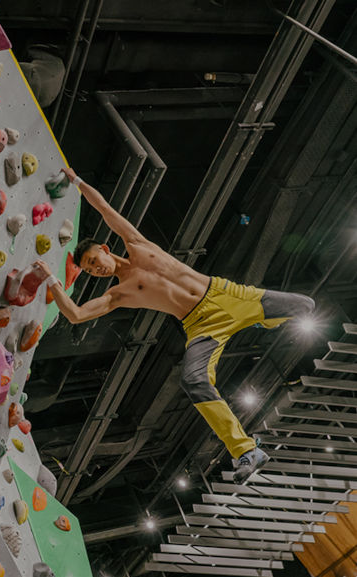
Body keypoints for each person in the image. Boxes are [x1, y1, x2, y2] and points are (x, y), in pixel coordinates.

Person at [36, 167, 315, 483]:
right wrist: (51, 280)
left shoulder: (137, 243)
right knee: (193, 380)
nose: (95, 269)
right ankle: (246, 450)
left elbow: (105, 210)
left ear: (105, 248)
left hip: (226, 295)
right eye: (88, 269)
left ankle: (265, 321)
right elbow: (76, 314)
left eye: (93, 261)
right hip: (201, 325)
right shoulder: (118, 294)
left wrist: (77, 181)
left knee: (306, 306)